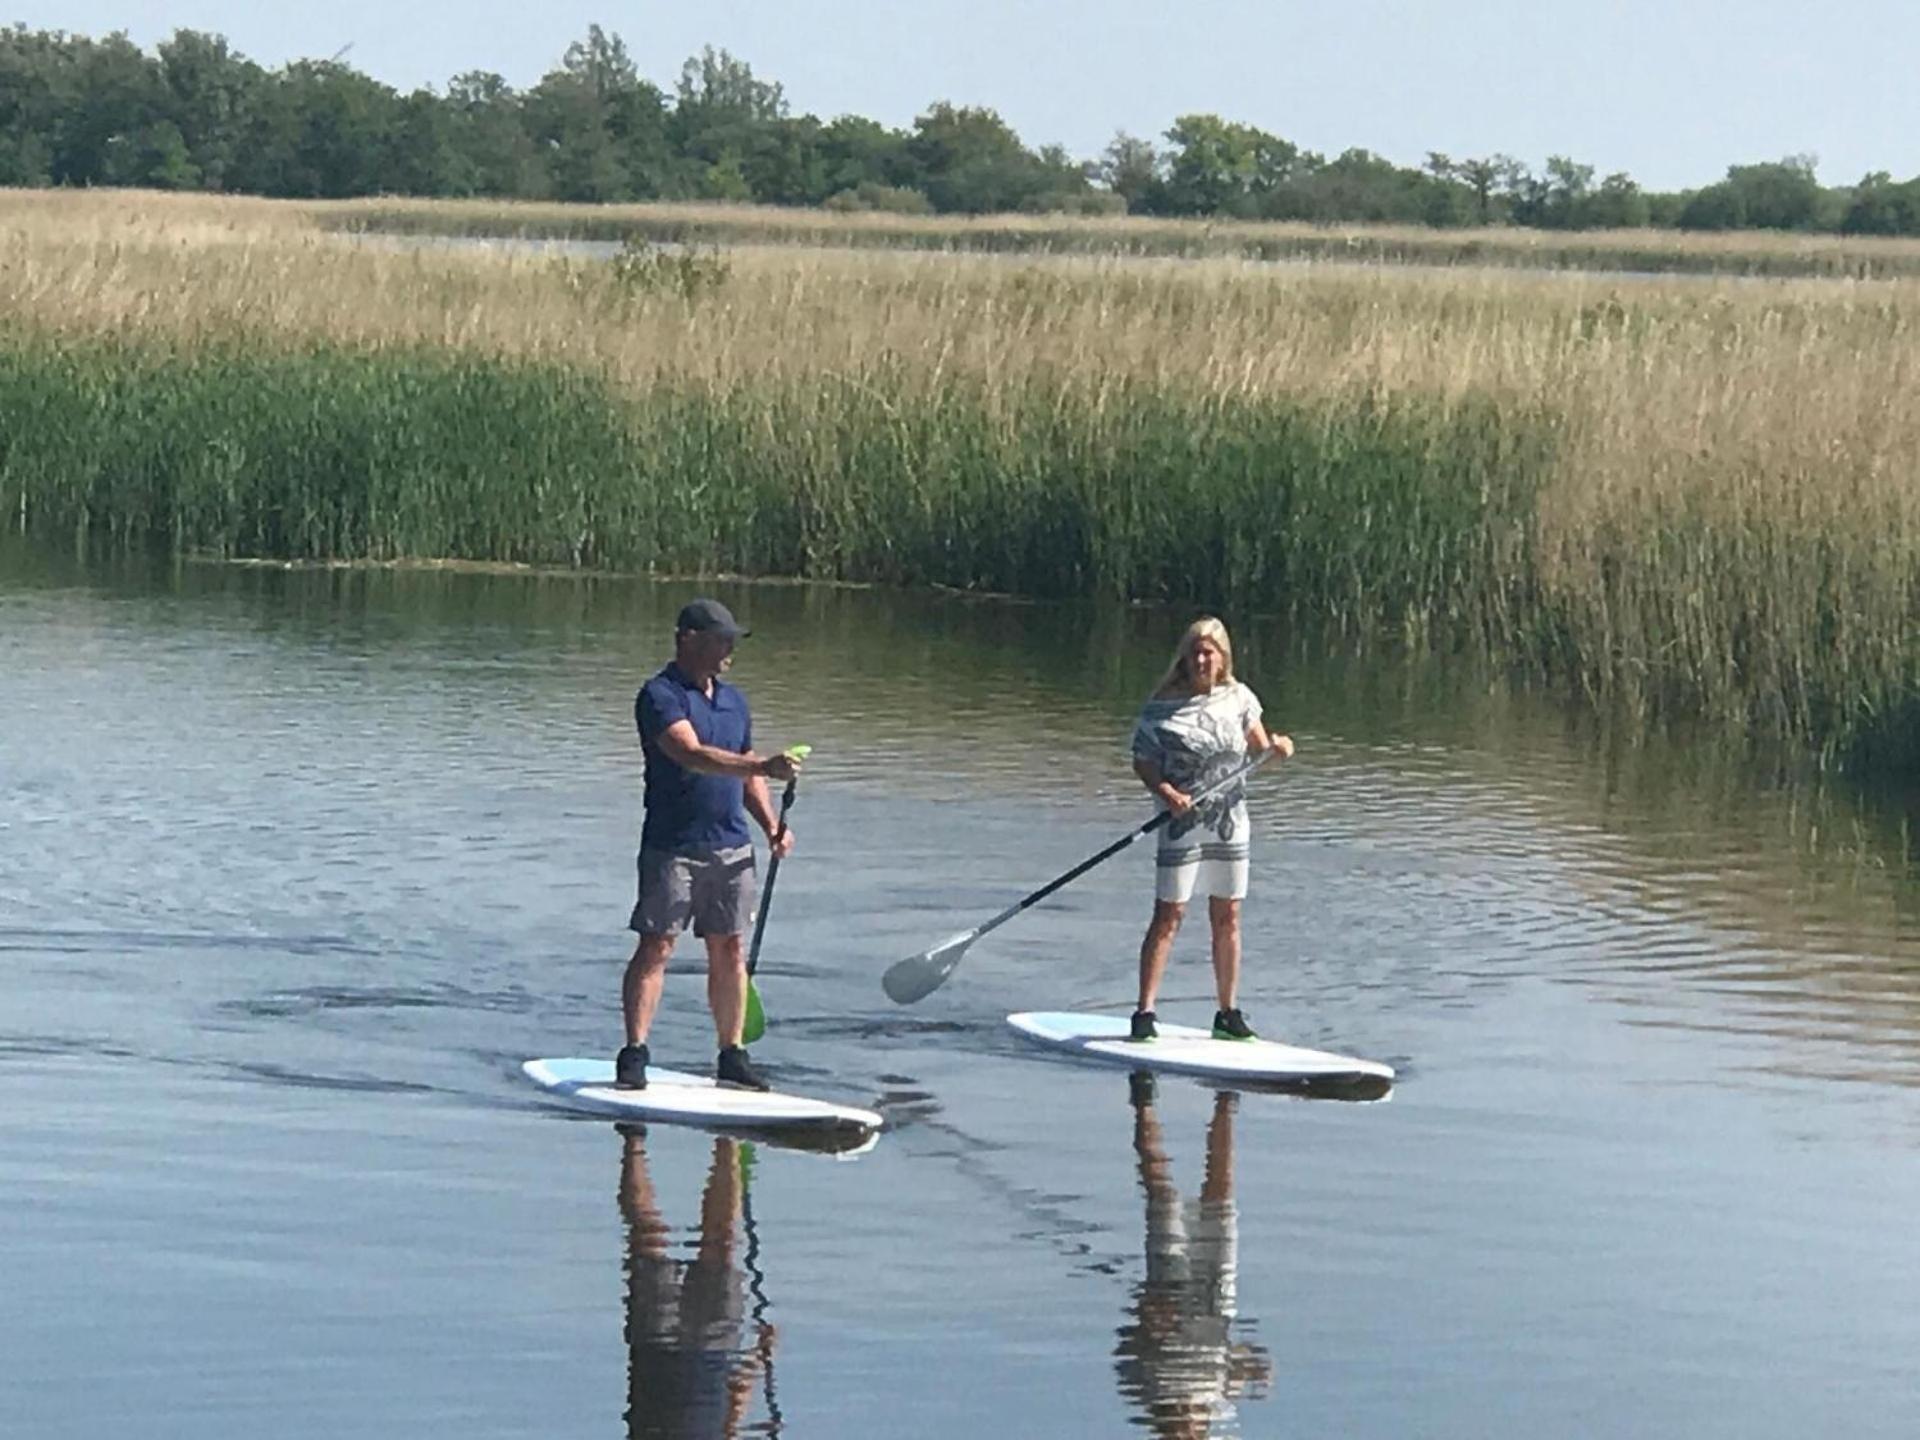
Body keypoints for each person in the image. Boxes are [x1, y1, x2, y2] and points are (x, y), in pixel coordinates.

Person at [620, 598, 800, 1092]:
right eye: (721, 639)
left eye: (732, 641)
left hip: (732, 846)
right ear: (689, 638)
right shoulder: (660, 695)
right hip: (672, 845)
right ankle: (635, 1052)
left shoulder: (734, 701)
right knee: (658, 945)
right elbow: (692, 755)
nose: (729, 650)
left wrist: (770, 826)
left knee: (730, 948)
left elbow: (744, 773)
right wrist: (763, 766)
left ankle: (731, 1054)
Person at [1128, 616, 1292, 1043]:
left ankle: (1228, 1014)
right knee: (1170, 914)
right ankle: (1145, 1013)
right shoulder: (1162, 705)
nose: (1202, 659)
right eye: (1196, 652)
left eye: (1210, 652)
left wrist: (1277, 747)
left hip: (1229, 825)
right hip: (1181, 825)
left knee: (1228, 915)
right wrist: (1166, 792)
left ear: (1222, 659)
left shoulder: (1239, 698)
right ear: (1185, 657)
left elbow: (1260, 748)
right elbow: (1142, 761)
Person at [1113, 1079, 1273, 1439]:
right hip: (1217, 1292)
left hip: (1168, 1285)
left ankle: (1143, 1099)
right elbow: (1237, 1355)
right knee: (1221, 1189)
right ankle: (1225, 1098)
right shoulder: (1221, 1403)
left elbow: (1125, 1343)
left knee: (1162, 1192)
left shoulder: (1142, 1390)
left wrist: (1146, 1318)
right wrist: (1255, 1369)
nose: (1187, 1433)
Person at [620, 1127, 776, 1438]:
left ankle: (633, 1135)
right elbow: (729, 1425)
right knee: (721, 1243)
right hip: (714, 1352)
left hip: (655, 1354)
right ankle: (726, 1136)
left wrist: (759, 1358)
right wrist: (758, 1358)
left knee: (648, 1239)